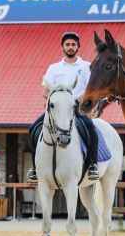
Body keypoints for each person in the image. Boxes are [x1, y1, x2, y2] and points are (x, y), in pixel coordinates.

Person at [26, 32, 100, 182]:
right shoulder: (54, 68)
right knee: (33, 128)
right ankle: (35, 168)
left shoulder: (86, 66)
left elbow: (91, 88)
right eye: (68, 44)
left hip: (77, 107)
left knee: (90, 128)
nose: (70, 47)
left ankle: (92, 165)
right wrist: (48, 99)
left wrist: (82, 99)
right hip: (57, 109)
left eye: (73, 44)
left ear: (78, 47)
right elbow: (46, 89)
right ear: (63, 47)